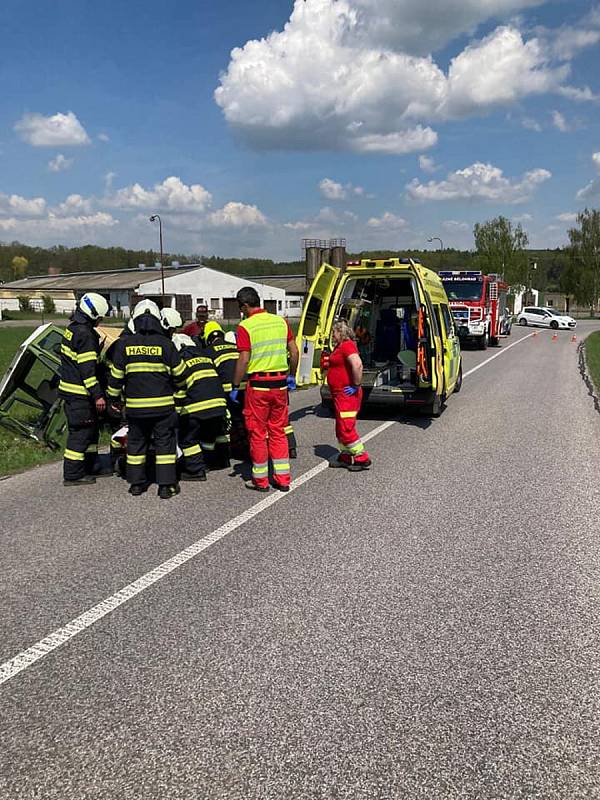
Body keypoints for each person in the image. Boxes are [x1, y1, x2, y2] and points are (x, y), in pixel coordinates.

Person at [107, 299, 186, 499]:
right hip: (163, 408)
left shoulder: (125, 345)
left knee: (135, 445)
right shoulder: (166, 344)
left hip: (135, 409)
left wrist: (113, 400)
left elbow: (115, 378)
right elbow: (181, 375)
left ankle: (136, 484)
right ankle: (166, 486)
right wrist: (178, 398)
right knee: (164, 445)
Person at [231, 287, 299, 492]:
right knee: (278, 431)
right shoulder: (281, 321)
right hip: (279, 384)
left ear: (244, 305)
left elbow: (244, 359)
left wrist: (235, 385)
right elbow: (294, 351)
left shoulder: (245, 326)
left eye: (240, 307)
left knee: (258, 433)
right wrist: (291, 375)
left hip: (258, 386)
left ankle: (260, 481)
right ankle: (283, 478)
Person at [59, 292, 110, 486]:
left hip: (72, 392)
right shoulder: (85, 335)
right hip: (80, 394)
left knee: (90, 431)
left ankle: (90, 466)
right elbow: (87, 371)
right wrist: (98, 395)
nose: (101, 320)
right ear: (92, 314)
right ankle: (73, 475)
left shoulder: (73, 328)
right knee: (80, 433)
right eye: (99, 317)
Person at [172, 333, 229, 478]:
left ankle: (196, 470)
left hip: (197, 406)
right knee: (209, 436)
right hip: (220, 404)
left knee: (188, 439)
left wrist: (177, 414)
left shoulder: (181, 362)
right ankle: (215, 462)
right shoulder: (206, 358)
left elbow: (180, 391)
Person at [326, 320, 371, 471]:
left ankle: (361, 457)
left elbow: (357, 364)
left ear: (341, 332)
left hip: (347, 395)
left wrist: (356, 385)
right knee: (340, 427)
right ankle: (345, 455)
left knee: (346, 428)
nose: (332, 335)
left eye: (334, 332)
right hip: (340, 394)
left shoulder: (347, 345)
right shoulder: (340, 347)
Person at [202, 320, 245, 463]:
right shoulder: (235, 346)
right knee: (242, 420)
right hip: (244, 387)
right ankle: (245, 449)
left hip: (225, 390)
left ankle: (222, 454)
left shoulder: (208, 351)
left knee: (222, 422)